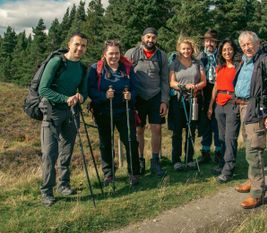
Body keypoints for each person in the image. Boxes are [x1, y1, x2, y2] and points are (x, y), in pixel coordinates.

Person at [233, 31, 267, 209]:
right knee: (249, 148)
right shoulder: (244, 60)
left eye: (250, 44)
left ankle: (257, 194)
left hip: (257, 111)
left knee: (254, 152)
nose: (247, 48)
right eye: (243, 45)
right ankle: (252, 180)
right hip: (243, 108)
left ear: (258, 43)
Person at [38, 32, 88, 206]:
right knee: (50, 153)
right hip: (52, 112)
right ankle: (47, 191)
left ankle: (64, 184)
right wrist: (64, 99)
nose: (80, 48)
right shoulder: (56, 62)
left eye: (83, 45)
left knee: (66, 151)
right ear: (69, 44)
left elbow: (84, 90)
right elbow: (43, 89)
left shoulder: (82, 68)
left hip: (72, 112)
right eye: (77, 44)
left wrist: (81, 97)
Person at [87, 40, 140, 186]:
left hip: (125, 110)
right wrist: (103, 96)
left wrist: (131, 96)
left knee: (130, 141)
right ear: (104, 54)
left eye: (117, 53)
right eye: (111, 53)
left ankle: (133, 173)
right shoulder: (95, 69)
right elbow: (90, 90)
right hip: (104, 111)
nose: (114, 56)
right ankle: (109, 175)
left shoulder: (127, 68)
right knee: (106, 143)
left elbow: (135, 88)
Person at [125, 27, 169, 177]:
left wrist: (164, 100)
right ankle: (140, 161)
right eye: (148, 37)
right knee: (139, 130)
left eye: (153, 38)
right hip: (138, 97)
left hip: (156, 96)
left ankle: (155, 161)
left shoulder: (161, 56)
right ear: (142, 37)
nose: (150, 40)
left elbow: (165, 80)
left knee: (156, 129)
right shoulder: (131, 53)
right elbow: (125, 75)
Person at [168, 36, 206, 171]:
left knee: (191, 130)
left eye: (188, 48)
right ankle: (176, 160)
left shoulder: (198, 63)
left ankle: (189, 159)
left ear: (192, 49)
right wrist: (183, 86)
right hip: (178, 100)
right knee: (177, 131)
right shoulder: (174, 63)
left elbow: (204, 81)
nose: (186, 51)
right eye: (183, 49)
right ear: (179, 49)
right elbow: (171, 82)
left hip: (194, 100)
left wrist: (195, 87)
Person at [207, 38, 240, 182]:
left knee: (230, 137)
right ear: (221, 52)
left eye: (230, 49)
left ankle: (228, 170)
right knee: (221, 137)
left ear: (234, 50)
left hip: (232, 103)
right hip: (219, 105)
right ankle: (222, 164)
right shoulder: (219, 67)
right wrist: (210, 106)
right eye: (224, 49)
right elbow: (215, 86)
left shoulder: (239, 67)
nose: (227, 52)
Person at [197, 29, 222, 164]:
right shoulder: (199, 57)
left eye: (212, 41)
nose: (209, 44)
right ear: (204, 42)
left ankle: (219, 151)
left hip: (219, 89)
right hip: (204, 90)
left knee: (217, 121)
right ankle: (205, 151)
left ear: (216, 43)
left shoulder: (221, 56)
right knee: (205, 122)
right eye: (207, 41)